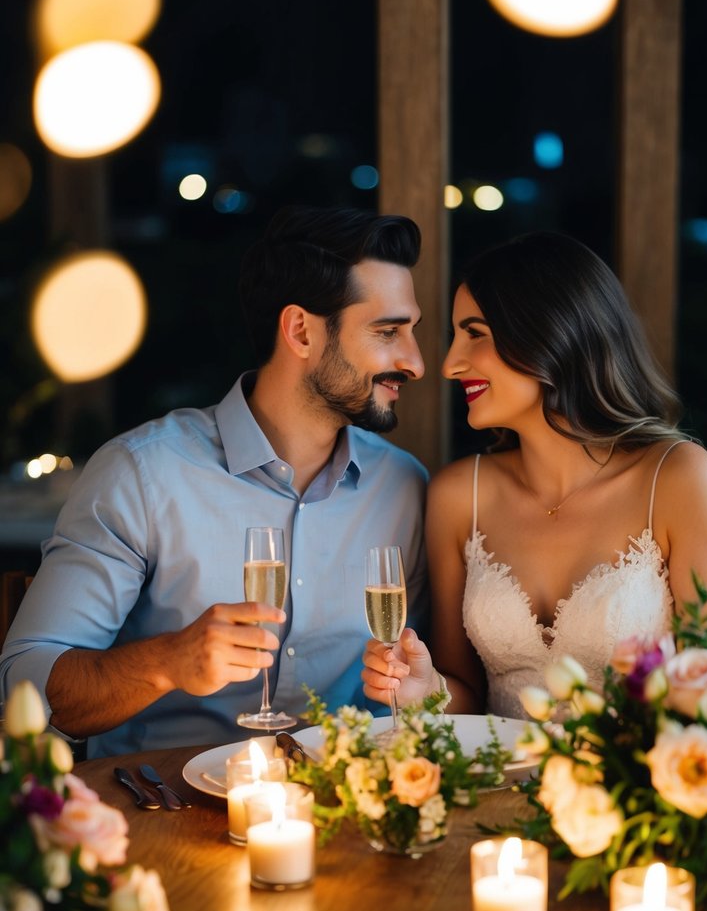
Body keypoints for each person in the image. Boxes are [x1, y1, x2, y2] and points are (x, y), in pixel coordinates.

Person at [363, 229, 707, 911]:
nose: (450, 360)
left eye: (476, 335)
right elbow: (460, 689)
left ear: (555, 337)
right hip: (483, 843)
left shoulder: (679, 479)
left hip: (632, 848)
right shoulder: (458, 493)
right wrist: (422, 689)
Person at [0, 206, 429, 758]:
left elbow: (419, 685)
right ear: (300, 330)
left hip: (346, 815)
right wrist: (167, 662)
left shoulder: (403, 486)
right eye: (387, 331)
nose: (414, 362)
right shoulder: (142, 475)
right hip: (162, 814)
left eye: (411, 331)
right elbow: (24, 686)